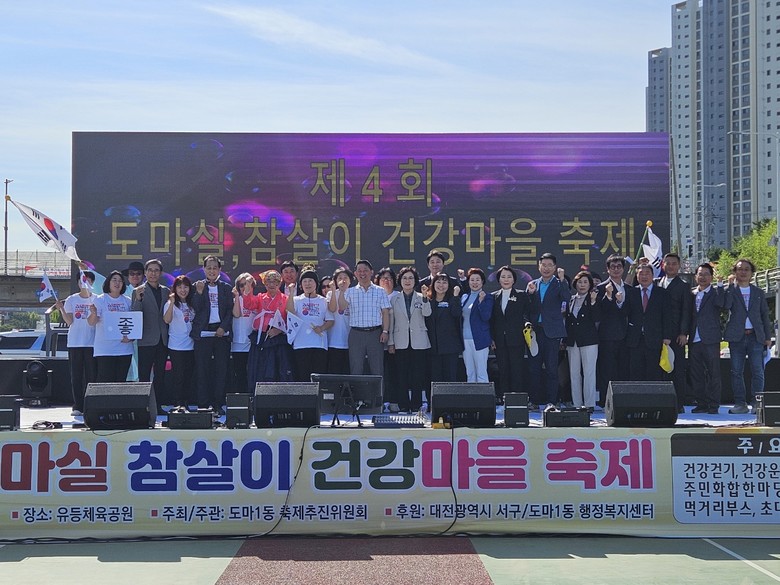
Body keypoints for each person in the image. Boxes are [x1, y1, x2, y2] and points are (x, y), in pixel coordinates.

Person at [722, 258, 773, 414]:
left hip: (755, 336)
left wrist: (767, 336)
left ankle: (757, 403)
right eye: (739, 269)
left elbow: (764, 315)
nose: (743, 272)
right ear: (735, 272)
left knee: (758, 371)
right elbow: (726, 306)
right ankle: (740, 404)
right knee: (736, 371)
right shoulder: (731, 290)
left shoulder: (758, 292)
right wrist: (731, 286)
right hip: (737, 337)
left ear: (751, 273)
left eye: (746, 269)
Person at [190, 255, 233, 414]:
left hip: (222, 334)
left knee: (221, 371)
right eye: (209, 268)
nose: (212, 271)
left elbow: (230, 311)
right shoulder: (197, 286)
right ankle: (203, 404)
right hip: (203, 334)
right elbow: (195, 308)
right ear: (204, 269)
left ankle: (218, 404)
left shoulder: (226, 288)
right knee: (202, 370)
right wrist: (199, 293)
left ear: (220, 270)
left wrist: (223, 327)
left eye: (215, 268)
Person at [527, 253, 570, 409]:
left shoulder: (559, 283)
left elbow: (566, 298)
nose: (546, 268)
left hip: (552, 332)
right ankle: (534, 401)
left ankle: (552, 401)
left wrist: (563, 280)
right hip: (535, 332)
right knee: (534, 368)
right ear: (539, 266)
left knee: (552, 368)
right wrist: (530, 294)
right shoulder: (533, 284)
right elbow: (528, 307)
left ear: (555, 267)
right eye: (543, 265)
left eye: (549, 265)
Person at [490, 265, 537, 405]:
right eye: (503, 277)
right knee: (503, 370)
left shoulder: (521, 295)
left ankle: (518, 400)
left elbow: (529, 311)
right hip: (499, 340)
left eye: (509, 277)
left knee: (517, 370)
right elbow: (491, 320)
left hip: (516, 339)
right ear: (499, 279)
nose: (506, 279)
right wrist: (492, 338)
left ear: (514, 279)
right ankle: (504, 399)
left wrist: (532, 294)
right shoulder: (493, 296)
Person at [335, 260, 390, 378]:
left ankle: (378, 391)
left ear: (371, 272)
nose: (362, 273)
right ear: (355, 274)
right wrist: (342, 291)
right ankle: (356, 391)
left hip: (375, 333)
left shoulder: (380, 291)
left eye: (365, 270)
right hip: (356, 334)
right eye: (359, 271)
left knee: (377, 368)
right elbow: (342, 307)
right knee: (356, 368)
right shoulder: (350, 291)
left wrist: (385, 331)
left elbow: (385, 312)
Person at [388, 267, 431, 413]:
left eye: (411, 278)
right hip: (400, 341)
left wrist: (425, 298)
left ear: (415, 281)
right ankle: (403, 404)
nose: (408, 281)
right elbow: (391, 322)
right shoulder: (394, 299)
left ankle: (416, 404)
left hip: (419, 341)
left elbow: (427, 313)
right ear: (400, 280)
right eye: (405, 278)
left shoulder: (421, 296)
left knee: (418, 375)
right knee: (402, 375)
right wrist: (390, 342)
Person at [55, 270, 97, 416]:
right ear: (78, 283)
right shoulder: (71, 299)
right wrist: (61, 309)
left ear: (92, 283)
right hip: (75, 343)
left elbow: (96, 321)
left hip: (93, 343)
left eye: (88, 281)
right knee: (76, 376)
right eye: (81, 281)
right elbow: (69, 321)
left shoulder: (97, 299)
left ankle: (90, 405)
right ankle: (78, 406)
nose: (84, 284)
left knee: (91, 376)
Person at [131, 259, 170, 412]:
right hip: (146, 338)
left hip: (163, 338)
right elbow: (135, 314)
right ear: (145, 273)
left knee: (160, 374)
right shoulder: (138, 291)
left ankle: (157, 405)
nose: (153, 273)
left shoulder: (166, 291)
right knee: (144, 374)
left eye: (156, 270)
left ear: (161, 273)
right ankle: (143, 406)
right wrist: (138, 299)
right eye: (150, 270)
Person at [624, 262, 673, 381]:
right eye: (641, 274)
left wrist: (667, 336)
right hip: (635, 339)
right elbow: (625, 313)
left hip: (655, 339)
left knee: (653, 372)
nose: (644, 276)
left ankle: (654, 393)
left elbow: (667, 316)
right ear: (637, 276)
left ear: (652, 275)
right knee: (635, 372)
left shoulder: (662, 293)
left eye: (647, 273)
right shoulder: (631, 293)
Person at [656, 253, 692, 413]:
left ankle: (679, 403)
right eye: (668, 263)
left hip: (676, 334)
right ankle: (662, 401)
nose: (670, 266)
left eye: (674, 264)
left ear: (679, 266)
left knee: (677, 369)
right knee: (661, 368)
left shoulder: (683, 286)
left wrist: (683, 332)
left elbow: (686, 311)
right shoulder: (657, 283)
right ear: (663, 265)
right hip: (658, 333)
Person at [245, 269, 293, 385]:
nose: (272, 285)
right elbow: (249, 305)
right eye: (268, 282)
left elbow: (291, 318)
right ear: (264, 284)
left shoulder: (285, 298)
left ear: (279, 284)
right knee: (260, 368)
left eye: (275, 282)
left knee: (278, 368)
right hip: (262, 336)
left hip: (278, 337)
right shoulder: (260, 297)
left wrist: (279, 330)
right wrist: (248, 288)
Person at [285, 267, 334, 382]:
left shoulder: (323, 301)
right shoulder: (296, 300)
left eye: (310, 281)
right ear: (301, 285)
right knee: (302, 377)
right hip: (300, 345)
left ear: (316, 284)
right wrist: (291, 294)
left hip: (319, 345)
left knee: (318, 378)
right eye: (305, 281)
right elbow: (289, 311)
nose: (307, 284)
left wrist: (321, 328)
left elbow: (330, 320)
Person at [688, 263, 725, 414]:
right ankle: (701, 403)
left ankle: (714, 404)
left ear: (711, 277)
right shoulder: (691, 294)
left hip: (710, 339)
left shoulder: (716, 293)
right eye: (700, 274)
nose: (702, 277)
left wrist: (720, 285)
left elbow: (722, 304)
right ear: (695, 276)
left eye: (706, 274)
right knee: (696, 373)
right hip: (694, 338)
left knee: (713, 373)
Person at [595, 254, 630, 405]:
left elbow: (631, 311)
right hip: (607, 336)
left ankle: (622, 400)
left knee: (623, 369)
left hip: (626, 336)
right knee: (607, 370)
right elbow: (599, 312)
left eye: (619, 266)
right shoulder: (600, 288)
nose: (616, 269)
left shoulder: (629, 288)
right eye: (613, 267)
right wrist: (610, 297)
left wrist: (621, 303)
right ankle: (606, 401)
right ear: (607, 269)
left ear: (623, 269)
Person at [88, 270, 134, 382]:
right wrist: (94, 313)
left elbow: (134, 323)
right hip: (105, 349)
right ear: (108, 282)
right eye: (114, 280)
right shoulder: (100, 300)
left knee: (120, 382)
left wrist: (131, 337)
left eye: (120, 281)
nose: (117, 283)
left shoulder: (128, 301)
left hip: (124, 349)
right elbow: (91, 322)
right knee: (105, 382)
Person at [565, 270, 601, 412]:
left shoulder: (594, 299)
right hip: (572, 341)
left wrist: (593, 301)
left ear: (590, 284)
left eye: (585, 282)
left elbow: (597, 318)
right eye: (580, 282)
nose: (582, 285)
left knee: (589, 372)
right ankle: (576, 403)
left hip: (589, 340)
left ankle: (589, 404)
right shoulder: (571, 299)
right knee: (574, 373)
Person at [163, 275, 195, 409]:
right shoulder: (170, 303)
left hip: (191, 345)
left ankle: (186, 402)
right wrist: (171, 303)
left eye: (185, 287)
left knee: (188, 376)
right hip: (176, 345)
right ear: (175, 289)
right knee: (178, 376)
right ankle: (177, 403)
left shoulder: (192, 303)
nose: (183, 290)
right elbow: (167, 320)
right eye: (180, 287)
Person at [425, 273, 463, 385]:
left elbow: (456, 313)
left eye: (444, 282)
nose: (441, 285)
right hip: (432, 347)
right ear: (433, 284)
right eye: (438, 282)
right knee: (434, 378)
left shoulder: (452, 300)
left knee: (450, 377)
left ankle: (450, 397)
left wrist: (455, 297)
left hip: (450, 347)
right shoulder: (428, 301)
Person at [460, 267, 493, 383]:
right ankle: (471, 394)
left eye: (477, 280)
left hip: (480, 339)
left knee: (481, 372)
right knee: (470, 372)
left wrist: (481, 302)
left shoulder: (488, 297)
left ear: (482, 281)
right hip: (465, 339)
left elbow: (486, 316)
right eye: (472, 280)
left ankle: (484, 395)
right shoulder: (464, 297)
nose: (475, 283)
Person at [376, 267, 400, 411]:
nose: (386, 281)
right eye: (383, 278)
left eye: (389, 278)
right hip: (377, 340)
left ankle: (394, 401)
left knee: (393, 372)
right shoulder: (374, 295)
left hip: (395, 341)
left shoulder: (398, 296)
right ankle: (380, 401)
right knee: (379, 372)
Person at [231, 272, 257, 394]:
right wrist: (237, 297)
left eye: (247, 284)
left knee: (252, 373)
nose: (244, 287)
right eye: (241, 285)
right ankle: (241, 399)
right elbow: (236, 314)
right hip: (237, 343)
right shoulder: (234, 300)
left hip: (252, 343)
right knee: (239, 373)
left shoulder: (257, 300)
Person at [325, 267, 353, 374]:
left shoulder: (354, 293)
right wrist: (334, 290)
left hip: (350, 341)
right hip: (334, 340)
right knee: (335, 371)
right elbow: (332, 309)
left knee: (348, 371)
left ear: (350, 280)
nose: (343, 280)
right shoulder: (331, 294)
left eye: (345, 278)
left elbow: (343, 307)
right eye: (340, 278)